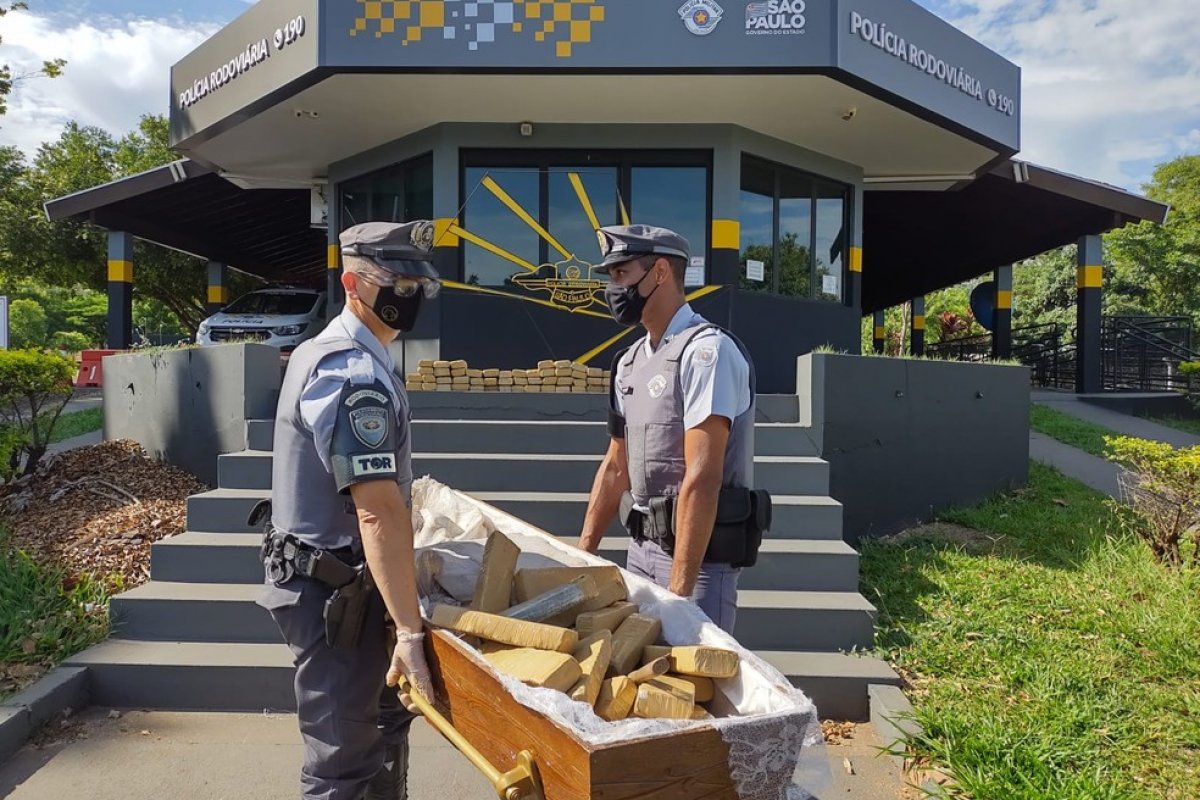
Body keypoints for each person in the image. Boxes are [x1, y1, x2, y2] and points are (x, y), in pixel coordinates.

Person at [256, 220, 441, 800]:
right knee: (341, 766)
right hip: (334, 596)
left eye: (416, 285)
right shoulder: (350, 371)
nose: (407, 295)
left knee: (382, 727)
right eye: (394, 283)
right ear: (352, 284)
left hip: (349, 584)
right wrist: (409, 631)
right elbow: (376, 511)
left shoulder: (351, 354)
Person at [577, 224, 767, 634]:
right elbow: (616, 466)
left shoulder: (707, 353)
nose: (613, 288)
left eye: (621, 274)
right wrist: (582, 556)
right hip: (640, 553)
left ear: (660, 272)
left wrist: (679, 594)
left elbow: (702, 476)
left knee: (694, 671)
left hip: (698, 564)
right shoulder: (628, 363)